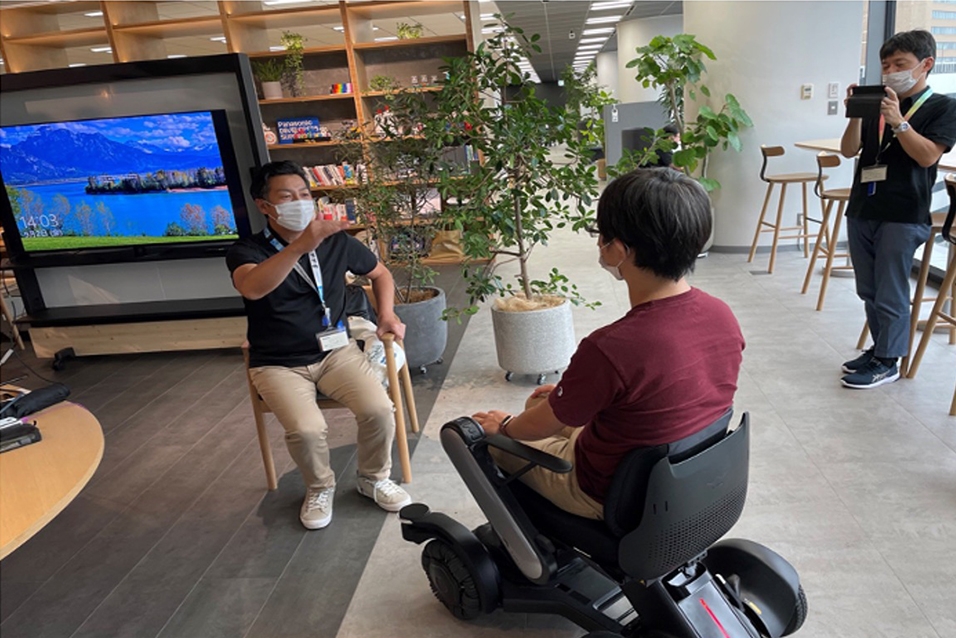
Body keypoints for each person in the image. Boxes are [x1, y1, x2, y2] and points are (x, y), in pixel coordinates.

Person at [472, 168, 744, 519]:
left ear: (617, 250)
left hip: (608, 493)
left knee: (482, 436)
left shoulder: (611, 347)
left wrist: (503, 426)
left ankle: (532, 542)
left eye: (601, 234)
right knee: (539, 399)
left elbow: (541, 425)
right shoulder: (721, 314)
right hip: (685, 475)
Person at [226, 160, 411, 530]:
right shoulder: (246, 251)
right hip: (277, 363)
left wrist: (387, 314)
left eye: (305, 194)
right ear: (265, 206)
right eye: (287, 196)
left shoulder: (336, 243)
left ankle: (373, 478)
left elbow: (380, 273)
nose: (300, 201)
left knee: (379, 408)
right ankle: (319, 487)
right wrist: (300, 247)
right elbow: (253, 287)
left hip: (336, 352)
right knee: (307, 429)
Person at [839, 30, 956, 389]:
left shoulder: (942, 106)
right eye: (886, 65)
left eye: (900, 64)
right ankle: (879, 349)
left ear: (926, 65)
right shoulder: (876, 103)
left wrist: (899, 122)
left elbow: (926, 155)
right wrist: (857, 115)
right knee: (868, 288)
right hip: (863, 205)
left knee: (890, 288)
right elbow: (848, 151)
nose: (890, 71)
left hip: (904, 212)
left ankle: (889, 360)